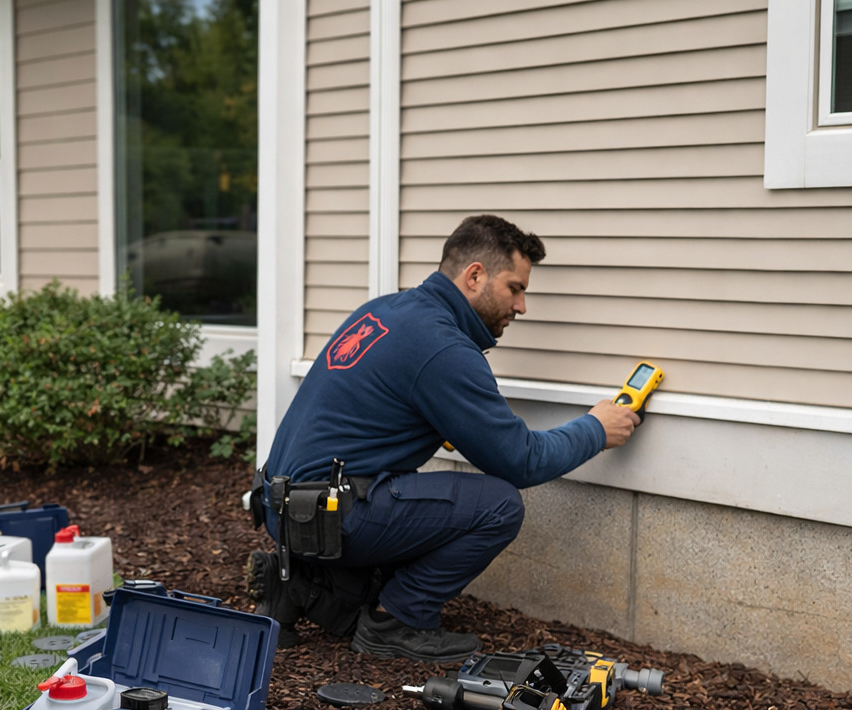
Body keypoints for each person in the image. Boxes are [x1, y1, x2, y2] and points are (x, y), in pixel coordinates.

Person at [249, 214, 641, 662]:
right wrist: (596, 428)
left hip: (285, 511)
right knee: (498, 505)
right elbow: (522, 462)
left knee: (411, 496)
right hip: (332, 518)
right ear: (475, 276)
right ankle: (395, 622)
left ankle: (298, 585)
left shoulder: (386, 310)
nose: (522, 306)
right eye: (516, 288)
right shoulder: (442, 348)